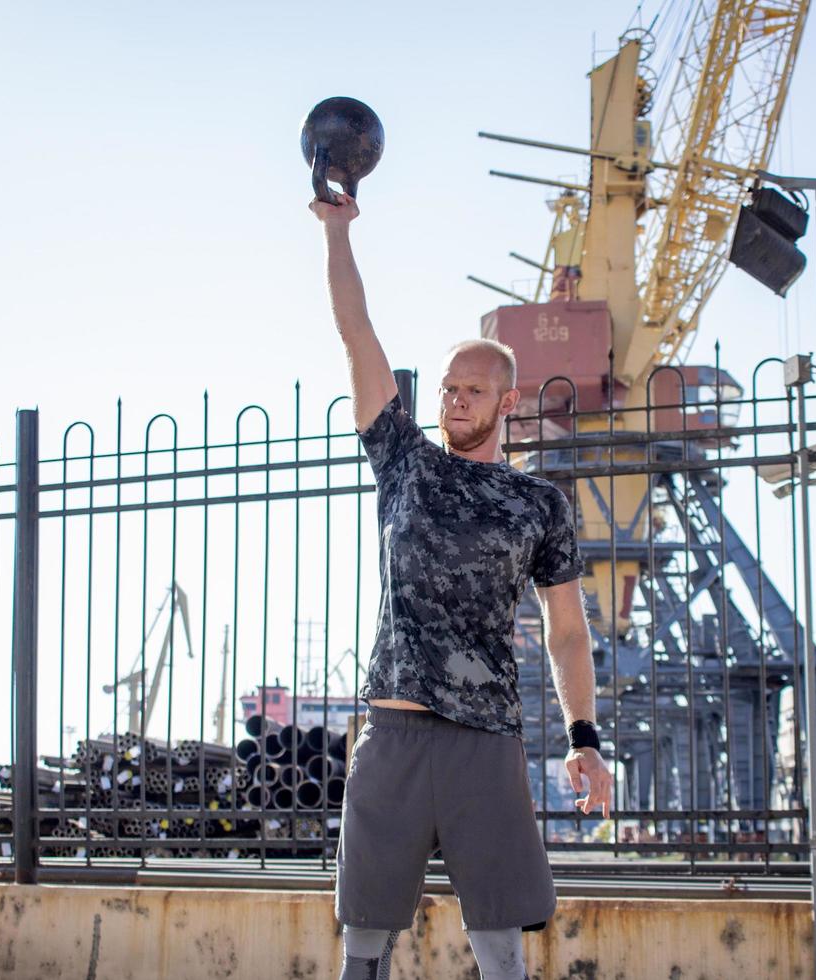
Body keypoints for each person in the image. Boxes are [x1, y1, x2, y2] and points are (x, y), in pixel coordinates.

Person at [310, 190, 614, 980]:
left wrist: (584, 738)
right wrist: (338, 233)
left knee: (503, 954)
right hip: (395, 734)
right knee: (364, 950)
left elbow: (568, 632)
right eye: (448, 387)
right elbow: (357, 334)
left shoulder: (538, 503)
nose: (454, 400)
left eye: (472, 391)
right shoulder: (404, 463)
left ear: (507, 403)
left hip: (487, 742)